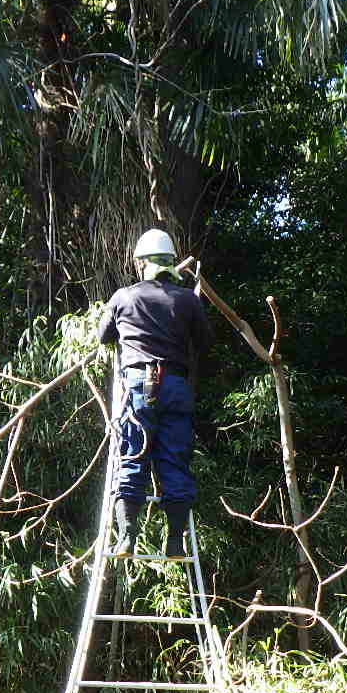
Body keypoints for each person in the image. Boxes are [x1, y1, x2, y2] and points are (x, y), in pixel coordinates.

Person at [98, 227, 211, 558]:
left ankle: (127, 538)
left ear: (141, 263)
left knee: (133, 454)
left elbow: (104, 337)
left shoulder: (123, 297)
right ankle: (175, 542)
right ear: (170, 263)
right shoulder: (187, 299)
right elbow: (206, 342)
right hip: (176, 386)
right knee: (175, 460)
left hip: (138, 385)